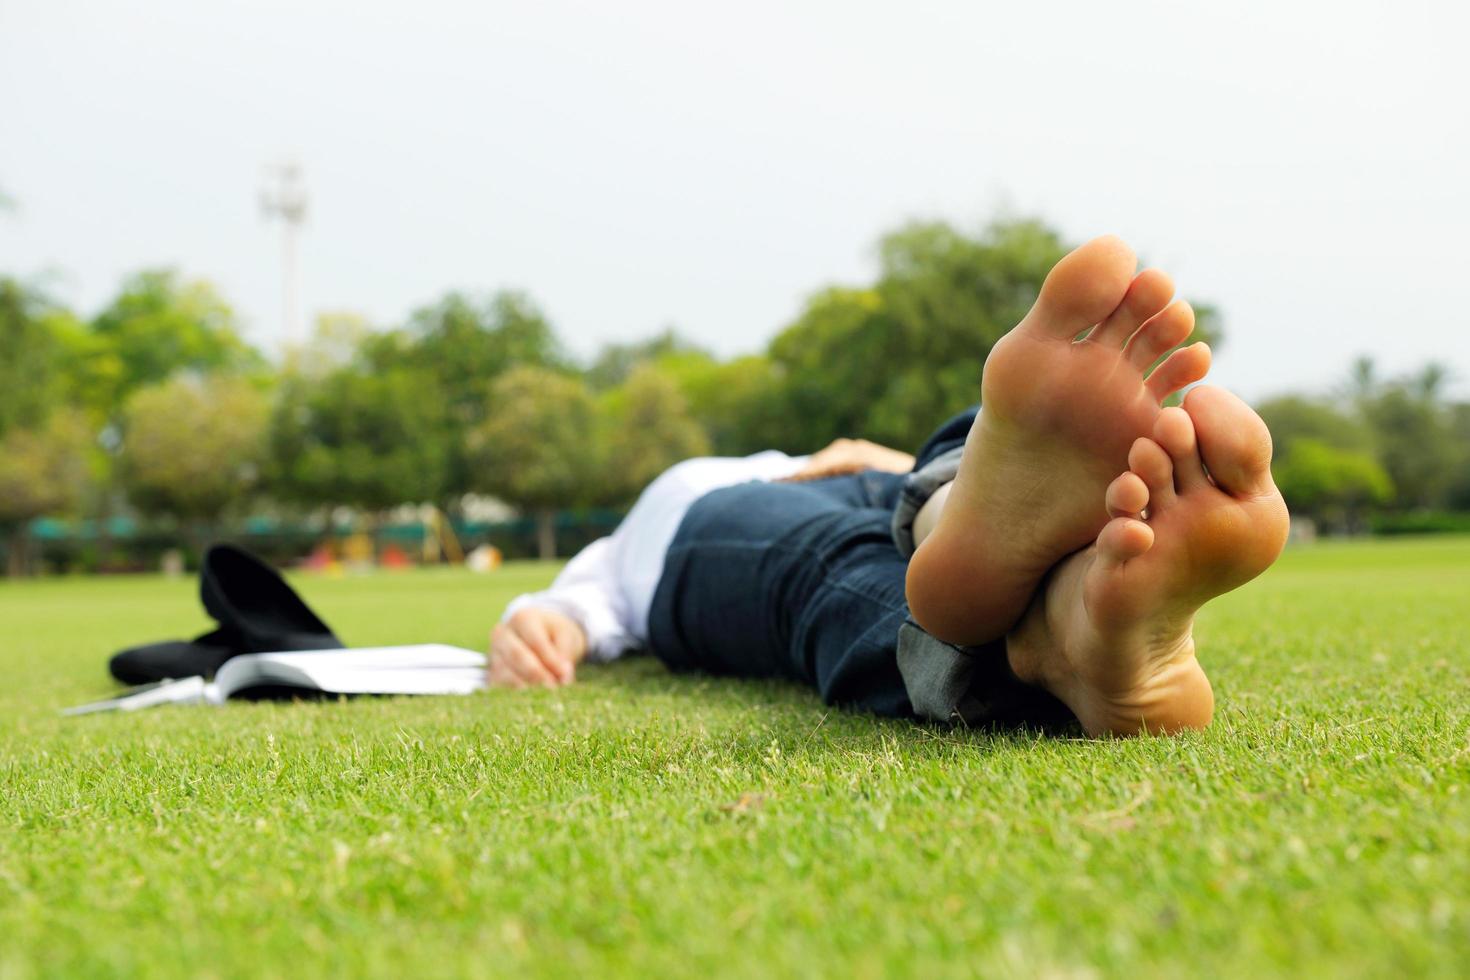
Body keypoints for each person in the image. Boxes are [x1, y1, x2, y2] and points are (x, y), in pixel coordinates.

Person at [488, 236, 1290, 737]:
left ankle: (1003, 561)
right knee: (830, 562)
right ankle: (1048, 618)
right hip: (692, 534)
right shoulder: (629, 538)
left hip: (871, 482)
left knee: (946, 463)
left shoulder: (789, 457)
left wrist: (889, 469)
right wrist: (540, 617)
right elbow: (568, 610)